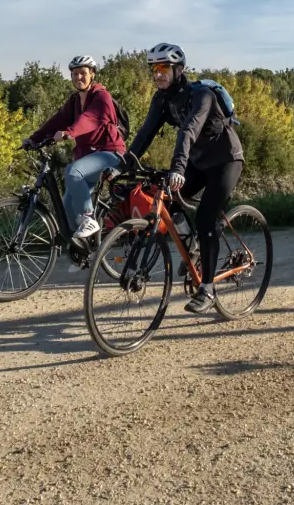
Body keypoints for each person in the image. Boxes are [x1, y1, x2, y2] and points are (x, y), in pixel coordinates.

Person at [123, 42, 244, 314]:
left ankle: (208, 289)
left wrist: (177, 168)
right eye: (153, 69)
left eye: (164, 68)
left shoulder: (202, 95)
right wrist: (125, 164)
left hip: (226, 160)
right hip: (198, 162)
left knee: (205, 217)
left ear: (179, 69)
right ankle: (194, 246)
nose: (157, 75)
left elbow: (188, 130)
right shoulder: (162, 100)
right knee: (170, 202)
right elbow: (145, 134)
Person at [23, 55, 126, 253]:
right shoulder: (75, 101)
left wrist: (70, 133)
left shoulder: (101, 97)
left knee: (72, 172)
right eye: (75, 73)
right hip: (88, 158)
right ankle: (84, 252)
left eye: (83, 73)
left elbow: (90, 119)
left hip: (110, 154)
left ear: (92, 75)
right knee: (68, 207)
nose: (79, 77)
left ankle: (88, 218)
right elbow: (57, 121)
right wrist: (34, 139)